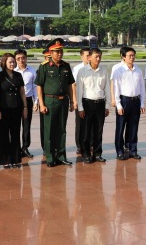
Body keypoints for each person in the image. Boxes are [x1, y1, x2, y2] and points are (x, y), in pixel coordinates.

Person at [35, 39, 77, 167]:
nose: (59, 54)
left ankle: (61, 155)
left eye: (61, 51)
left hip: (63, 100)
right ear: (51, 52)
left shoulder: (66, 66)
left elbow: (70, 84)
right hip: (50, 100)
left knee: (61, 130)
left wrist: (71, 101)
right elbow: (39, 86)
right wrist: (41, 104)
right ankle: (50, 157)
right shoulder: (44, 67)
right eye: (56, 52)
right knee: (49, 130)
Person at [0, 53, 27, 168]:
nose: (12, 64)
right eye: (10, 62)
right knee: (4, 135)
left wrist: (25, 107)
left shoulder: (18, 75)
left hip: (16, 108)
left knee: (16, 134)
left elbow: (22, 92)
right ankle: (6, 160)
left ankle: (16, 159)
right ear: (4, 63)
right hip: (3, 109)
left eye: (13, 62)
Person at [111, 46, 145, 160]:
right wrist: (118, 105)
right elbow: (116, 89)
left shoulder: (138, 70)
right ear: (123, 57)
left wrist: (142, 104)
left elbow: (142, 88)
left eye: (133, 55)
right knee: (120, 128)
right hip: (124, 101)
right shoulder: (118, 70)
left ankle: (132, 150)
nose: (132, 58)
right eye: (130, 56)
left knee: (134, 127)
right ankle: (119, 151)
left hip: (136, 101)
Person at [76, 47, 110, 163]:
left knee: (98, 131)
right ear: (89, 57)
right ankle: (85, 153)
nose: (98, 59)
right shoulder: (82, 71)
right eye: (96, 56)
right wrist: (80, 107)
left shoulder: (103, 70)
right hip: (87, 104)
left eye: (100, 56)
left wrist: (107, 106)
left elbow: (107, 89)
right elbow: (79, 91)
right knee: (86, 130)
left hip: (100, 104)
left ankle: (97, 153)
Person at [14, 48, 36, 159]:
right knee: (15, 125)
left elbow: (35, 87)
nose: (21, 60)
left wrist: (36, 101)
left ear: (26, 58)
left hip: (27, 100)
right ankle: (16, 148)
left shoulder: (32, 71)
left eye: (23, 58)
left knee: (26, 125)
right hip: (15, 101)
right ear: (15, 59)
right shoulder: (13, 71)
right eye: (18, 58)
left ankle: (25, 147)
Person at [73, 46, 91, 157]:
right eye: (87, 55)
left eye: (90, 55)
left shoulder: (95, 67)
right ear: (81, 56)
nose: (89, 57)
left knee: (91, 123)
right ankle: (79, 145)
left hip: (92, 100)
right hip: (80, 99)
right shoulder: (77, 69)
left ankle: (91, 144)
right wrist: (75, 101)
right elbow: (73, 86)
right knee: (80, 123)